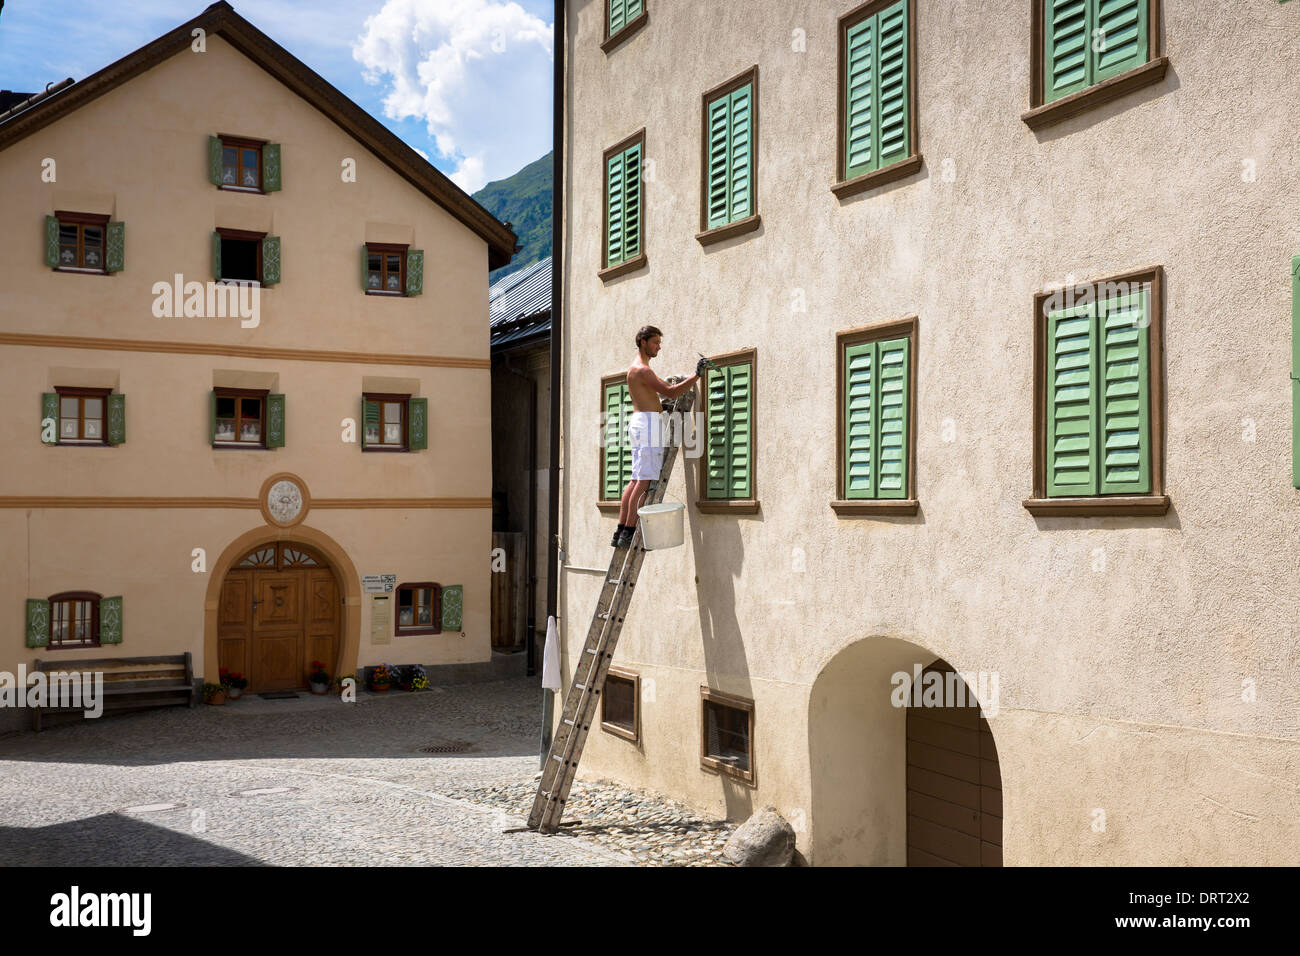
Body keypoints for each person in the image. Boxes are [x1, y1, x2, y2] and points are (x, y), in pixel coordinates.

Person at [611, 326, 709, 548]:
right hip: (647, 426)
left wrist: (660, 407)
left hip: (640, 423)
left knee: (636, 479)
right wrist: (697, 374)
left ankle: (620, 531)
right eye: (655, 342)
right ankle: (629, 530)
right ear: (643, 342)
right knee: (644, 479)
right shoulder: (643, 370)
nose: (658, 347)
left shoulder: (633, 370)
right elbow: (671, 392)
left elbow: (652, 397)